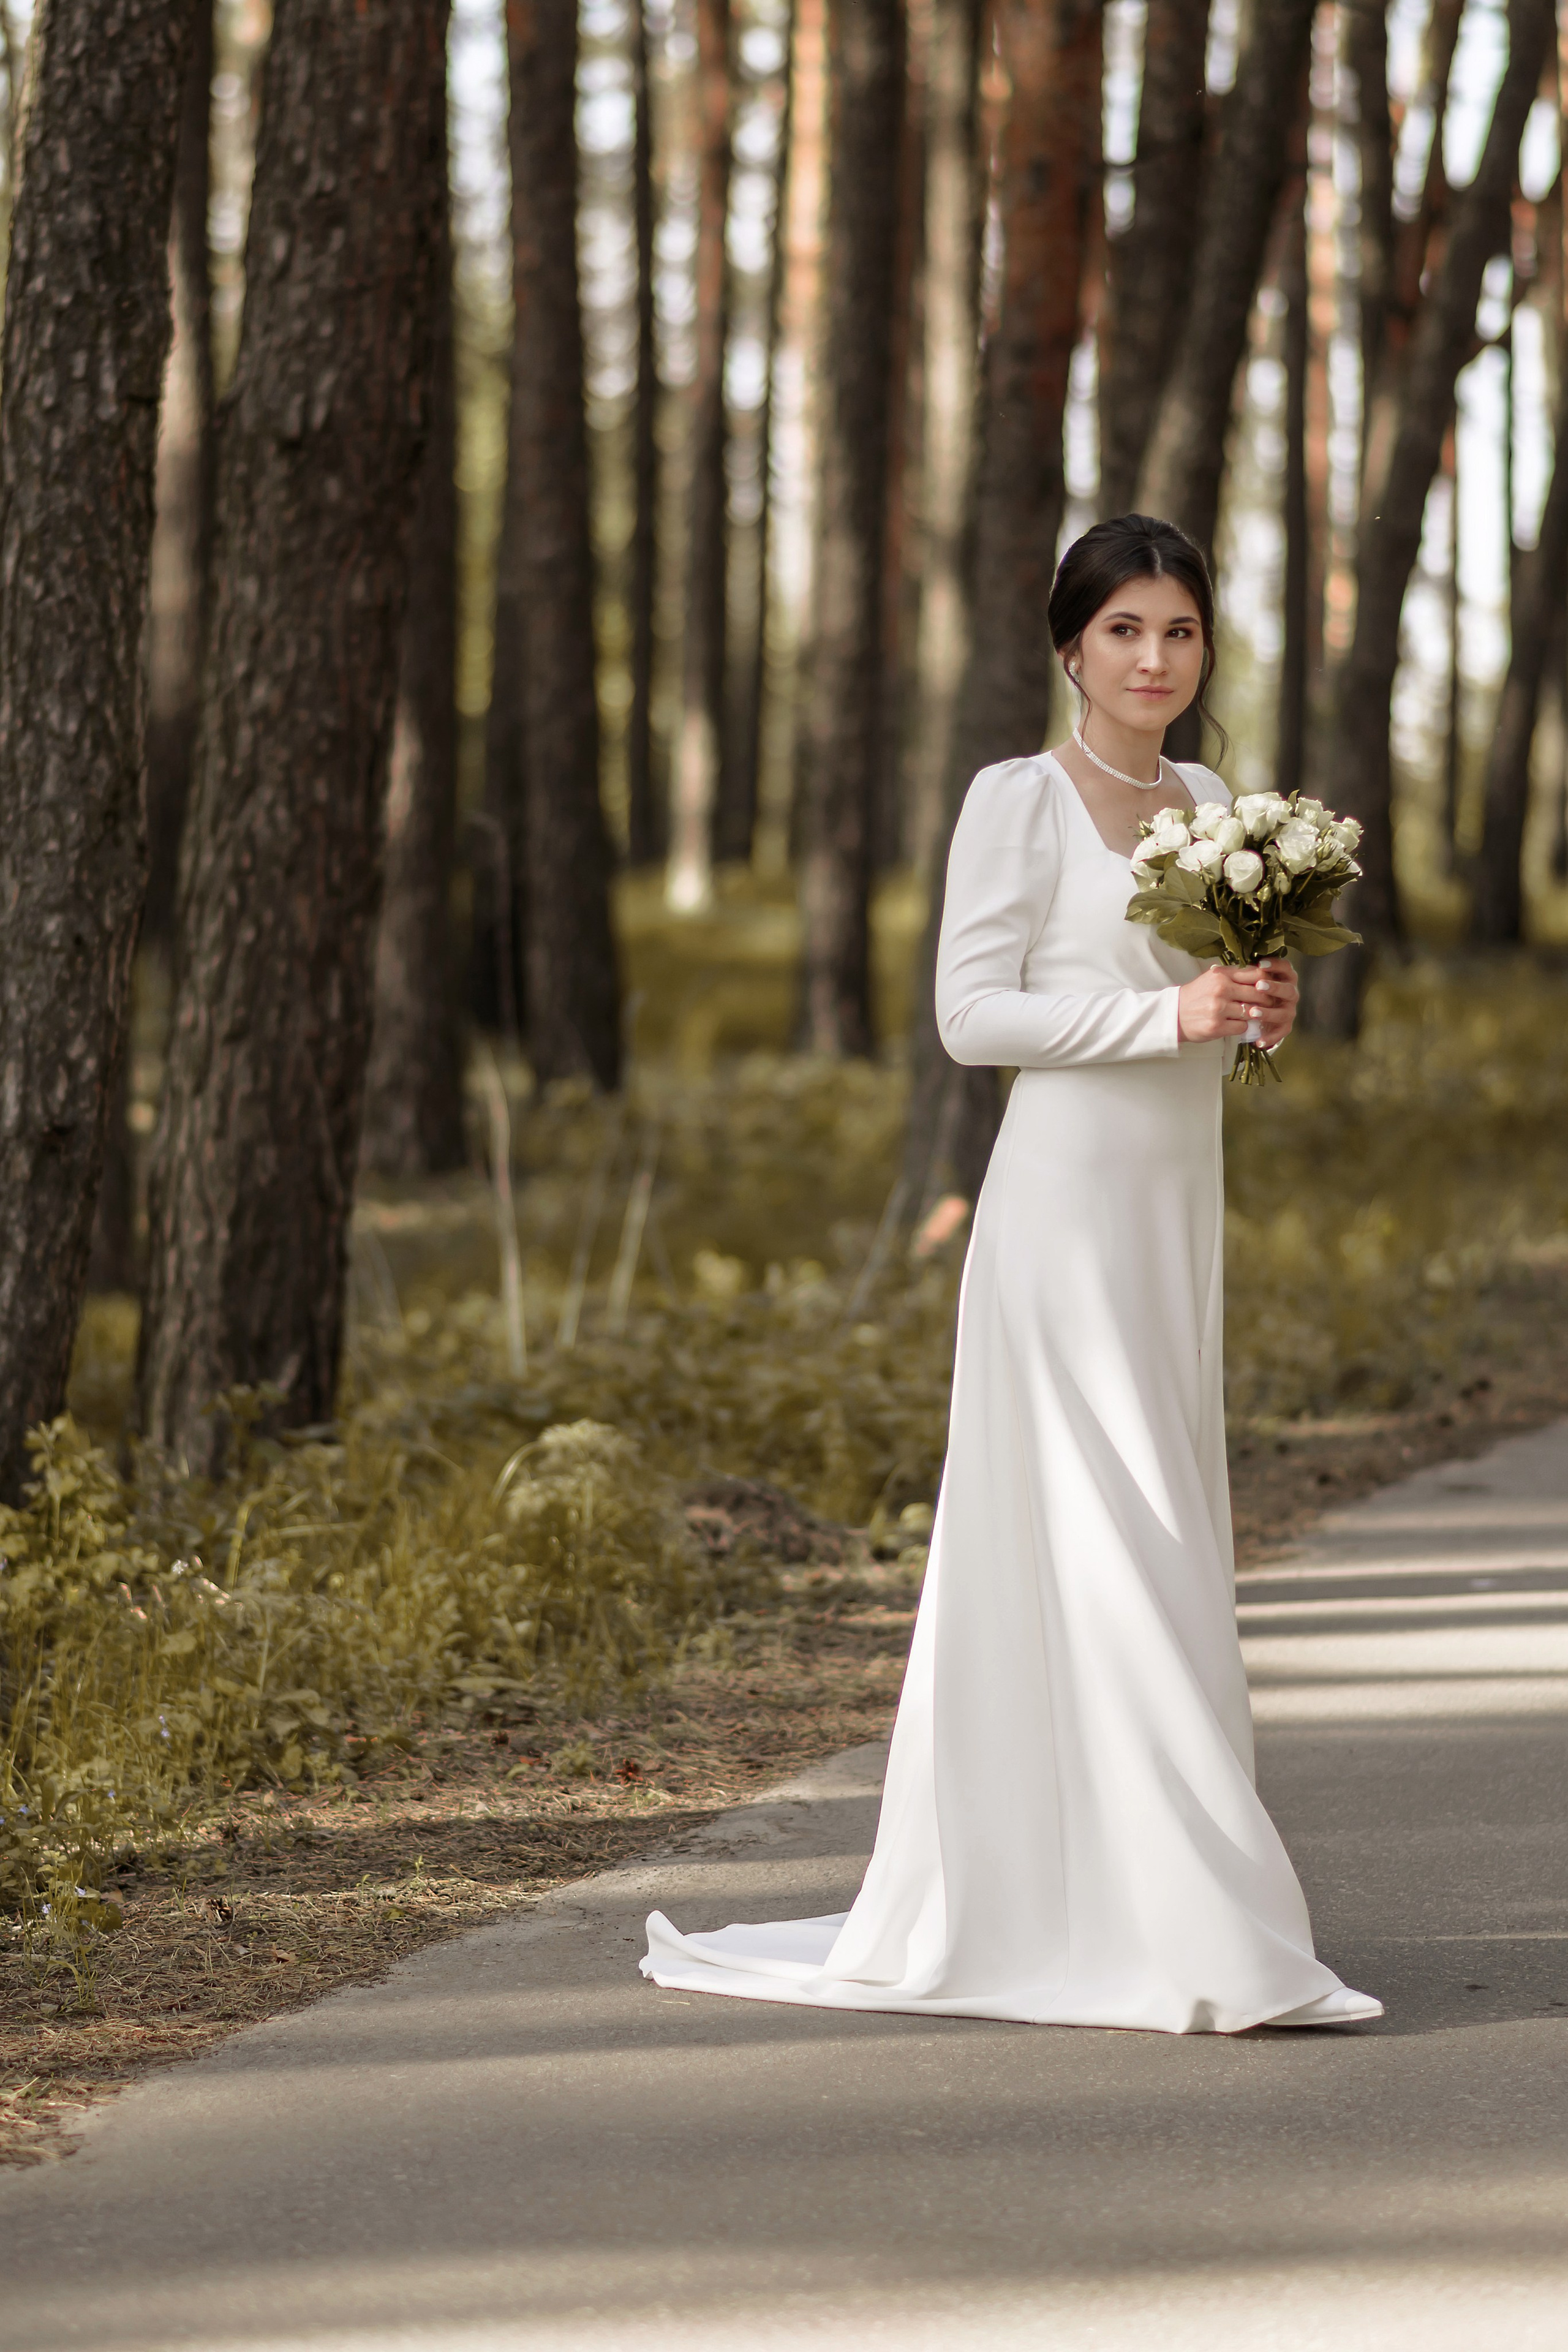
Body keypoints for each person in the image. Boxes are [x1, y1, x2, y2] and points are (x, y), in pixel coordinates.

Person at [642, 514, 1382, 2032]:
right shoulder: (1016, 802)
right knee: (1099, 1542)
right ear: (1069, 647)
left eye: (1176, 632)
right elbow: (970, 1016)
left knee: (1166, 1542)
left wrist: (1253, 1003)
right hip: (1056, 1220)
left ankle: (1139, 1895)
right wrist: (1156, 1023)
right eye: (1123, 631)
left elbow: (1200, 1003)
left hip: (1171, 1214)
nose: (1153, 659)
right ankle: (1182, 1925)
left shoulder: (1214, 800)